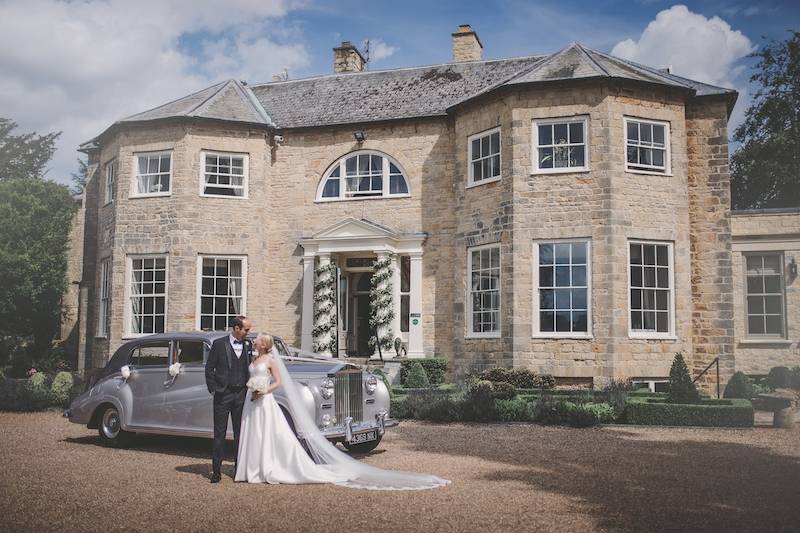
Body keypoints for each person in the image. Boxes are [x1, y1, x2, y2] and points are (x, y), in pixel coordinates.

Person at [234, 333, 450, 490]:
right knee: (255, 432)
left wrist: (263, 390)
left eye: (257, 339)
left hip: (262, 397)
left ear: (264, 345)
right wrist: (255, 389)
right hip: (251, 399)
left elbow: (277, 381)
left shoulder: (270, 359)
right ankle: (254, 467)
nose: (254, 341)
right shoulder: (252, 358)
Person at [205, 315, 252, 483]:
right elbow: (209, 368)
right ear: (236, 328)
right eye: (246, 329)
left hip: (241, 395)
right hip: (222, 395)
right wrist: (213, 389)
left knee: (240, 433)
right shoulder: (219, 344)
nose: (248, 332)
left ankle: (238, 469)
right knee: (220, 433)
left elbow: (249, 368)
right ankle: (216, 471)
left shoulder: (248, 344)